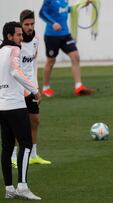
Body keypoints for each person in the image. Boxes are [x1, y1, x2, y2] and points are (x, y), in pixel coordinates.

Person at [0, 21, 41, 200]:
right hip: (15, 106)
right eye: (18, 35)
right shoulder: (14, 50)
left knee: (7, 148)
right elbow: (16, 72)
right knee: (26, 144)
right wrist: (34, 90)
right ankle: (23, 186)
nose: (21, 38)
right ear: (9, 36)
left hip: (2, 107)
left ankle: (9, 189)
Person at [10, 10, 52, 168]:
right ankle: (13, 156)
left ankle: (33, 155)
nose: (29, 27)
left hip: (31, 88)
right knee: (16, 123)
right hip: (17, 88)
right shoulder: (15, 43)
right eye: (26, 24)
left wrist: (35, 85)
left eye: (32, 24)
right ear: (21, 24)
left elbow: (33, 65)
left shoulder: (36, 39)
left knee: (35, 120)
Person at [39, 0, 94, 97]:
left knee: (75, 56)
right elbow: (42, 13)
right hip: (51, 36)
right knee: (51, 61)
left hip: (65, 34)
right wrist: (53, 23)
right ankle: (45, 88)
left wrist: (82, 5)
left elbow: (66, 10)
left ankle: (78, 86)